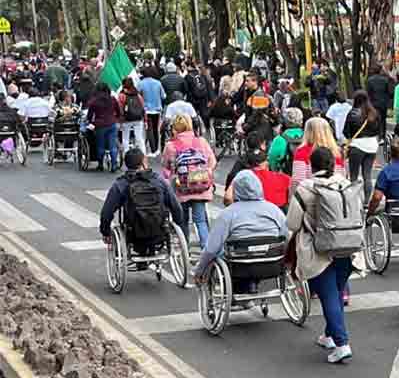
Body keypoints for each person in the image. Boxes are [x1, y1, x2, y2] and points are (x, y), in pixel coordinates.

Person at [287, 146, 358, 363]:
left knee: (328, 295)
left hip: (319, 250)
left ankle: (341, 343)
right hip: (348, 245)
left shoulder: (306, 188)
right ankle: (329, 336)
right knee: (336, 292)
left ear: (311, 165)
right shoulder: (345, 184)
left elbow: (292, 222)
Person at [193, 170, 289, 295]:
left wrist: (200, 270)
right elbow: (286, 236)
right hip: (272, 263)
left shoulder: (228, 214)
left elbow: (211, 249)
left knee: (220, 253)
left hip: (240, 267)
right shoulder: (274, 210)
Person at [98, 149, 185, 256]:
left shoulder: (121, 184)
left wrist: (105, 232)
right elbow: (176, 207)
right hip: (160, 230)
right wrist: (178, 225)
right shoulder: (158, 180)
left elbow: (107, 212)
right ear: (143, 162)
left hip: (134, 234)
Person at [161, 114, 218, 248]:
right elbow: (212, 161)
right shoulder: (201, 142)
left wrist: (170, 176)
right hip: (200, 186)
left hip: (181, 189)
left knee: (183, 220)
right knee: (201, 221)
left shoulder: (170, 146)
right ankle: (206, 249)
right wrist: (207, 172)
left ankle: (185, 248)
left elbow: (165, 167)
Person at [344, 90, 384, 207]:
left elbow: (346, 132)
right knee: (367, 174)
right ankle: (367, 201)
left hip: (357, 146)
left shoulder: (352, 113)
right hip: (372, 145)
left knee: (354, 176)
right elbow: (379, 131)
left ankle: (354, 202)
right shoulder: (374, 113)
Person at [292, 116, 345, 183]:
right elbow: (342, 176)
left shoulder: (302, 151)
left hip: (310, 191)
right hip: (334, 190)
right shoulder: (337, 152)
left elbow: (297, 180)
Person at [85, 81, 121, 171]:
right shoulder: (112, 99)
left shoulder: (94, 101)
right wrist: (115, 118)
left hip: (100, 125)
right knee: (113, 146)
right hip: (112, 123)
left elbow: (89, 116)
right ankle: (113, 165)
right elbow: (119, 112)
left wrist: (90, 122)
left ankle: (100, 164)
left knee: (100, 145)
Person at [269, 107, 306, 173]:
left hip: (286, 176)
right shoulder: (308, 136)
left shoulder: (279, 140)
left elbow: (272, 161)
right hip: (305, 176)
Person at [117, 77, 146, 156]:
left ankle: (126, 154)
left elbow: (119, 109)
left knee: (125, 138)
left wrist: (120, 120)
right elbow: (143, 108)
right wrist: (145, 120)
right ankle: (143, 154)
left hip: (126, 119)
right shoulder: (138, 95)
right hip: (138, 119)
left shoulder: (122, 95)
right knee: (139, 138)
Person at [139, 66, 165, 155]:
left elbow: (138, 96)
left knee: (149, 129)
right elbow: (163, 96)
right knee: (155, 129)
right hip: (157, 109)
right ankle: (156, 149)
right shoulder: (158, 83)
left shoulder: (141, 83)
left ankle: (153, 150)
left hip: (146, 109)